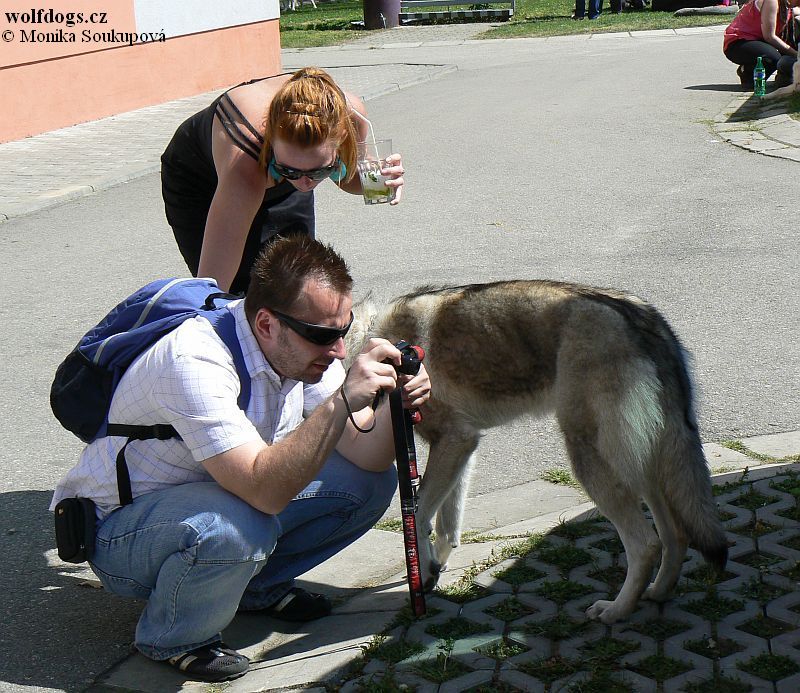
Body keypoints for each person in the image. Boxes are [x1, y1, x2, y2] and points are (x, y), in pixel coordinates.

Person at [49, 235, 431, 683]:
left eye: (343, 332)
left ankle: (255, 589)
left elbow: (363, 456)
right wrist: (342, 399)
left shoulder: (299, 344)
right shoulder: (193, 361)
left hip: (215, 498)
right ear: (267, 323)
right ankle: (173, 635)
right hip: (121, 534)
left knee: (369, 484)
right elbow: (264, 491)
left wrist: (396, 404)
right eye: (325, 336)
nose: (339, 352)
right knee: (240, 526)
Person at [161, 66, 405, 295]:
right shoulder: (246, 157)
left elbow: (347, 177)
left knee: (296, 282)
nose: (304, 184)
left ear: (341, 139)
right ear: (273, 145)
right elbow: (211, 285)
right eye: (290, 172)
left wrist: (377, 180)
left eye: (320, 172)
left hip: (271, 169)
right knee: (242, 293)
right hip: (199, 178)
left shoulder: (351, 118)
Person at [723, 0, 800, 90]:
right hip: (738, 43)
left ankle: (781, 77)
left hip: (758, 41)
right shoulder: (772, 2)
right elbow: (769, 37)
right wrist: (797, 55)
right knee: (773, 58)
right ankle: (746, 71)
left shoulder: (788, 5)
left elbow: (796, 11)